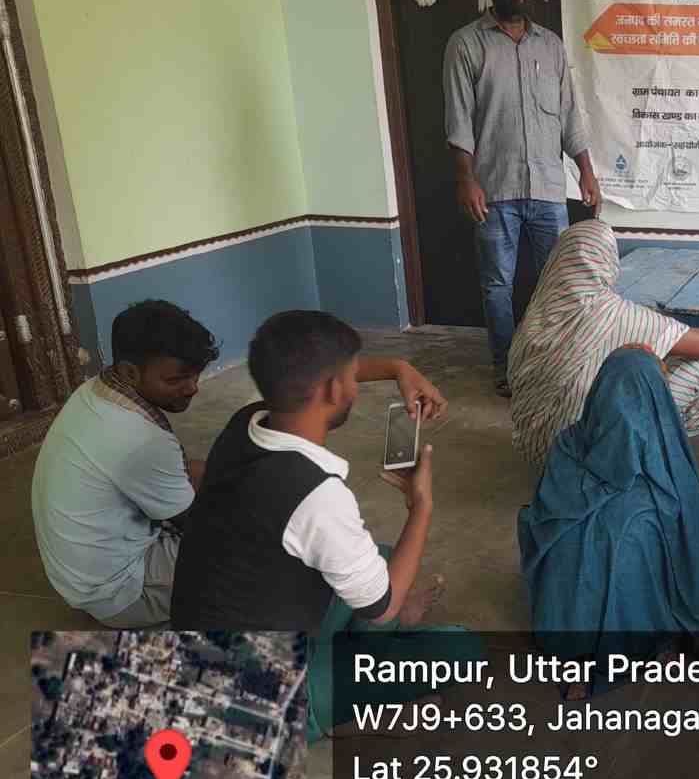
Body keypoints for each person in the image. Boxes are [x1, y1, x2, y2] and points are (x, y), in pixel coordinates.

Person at [168, 311, 468, 741]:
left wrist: (398, 368)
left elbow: (320, 376)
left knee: (380, 559)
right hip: (253, 688)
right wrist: (421, 505)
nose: (357, 382)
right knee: (456, 647)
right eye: (352, 373)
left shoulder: (247, 423)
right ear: (333, 389)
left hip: (218, 630)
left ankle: (358, 658)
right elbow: (382, 606)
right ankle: (327, 715)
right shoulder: (315, 495)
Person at [519, 347, 699, 699]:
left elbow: (540, 517)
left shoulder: (568, 444)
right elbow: (693, 538)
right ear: (658, 399)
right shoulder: (665, 470)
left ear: (600, 390)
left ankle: (580, 661)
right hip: (635, 620)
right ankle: (658, 645)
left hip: (560, 627)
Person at [444, 0, 601, 397]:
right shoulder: (466, 44)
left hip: (548, 189)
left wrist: (586, 171)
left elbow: (569, 115)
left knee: (559, 281)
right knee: (498, 285)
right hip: (494, 189)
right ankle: (506, 367)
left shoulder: (549, 46)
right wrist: (466, 178)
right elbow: (458, 119)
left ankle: (555, 363)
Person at [31, 301, 218, 627]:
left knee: (214, 475)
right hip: (121, 593)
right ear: (131, 372)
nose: (193, 388)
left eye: (195, 374)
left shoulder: (95, 390)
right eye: (176, 379)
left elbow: (186, 474)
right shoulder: (142, 439)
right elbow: (194, 524)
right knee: (257, 546)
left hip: (79, 578)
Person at [509, 220, 699, 465]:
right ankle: (648, 453)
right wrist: (656, 339)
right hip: (584, 457)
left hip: (537, 449)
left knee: (631, 360)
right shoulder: (613, 312)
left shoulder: (538, 310)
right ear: (608, 260)